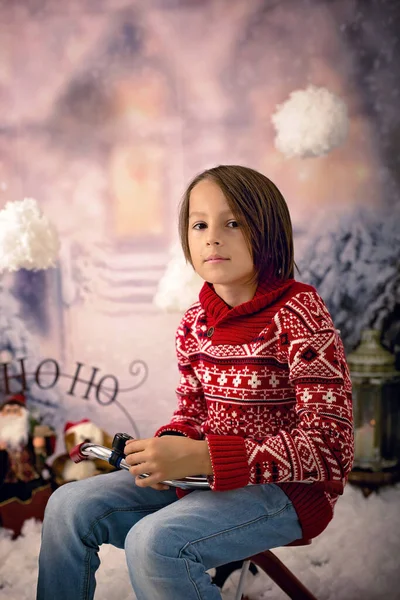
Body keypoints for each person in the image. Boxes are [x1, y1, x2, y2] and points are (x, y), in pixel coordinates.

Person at [36, 165, 354, 600]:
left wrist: (204, 456)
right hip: (205, 480)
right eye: (199, 224)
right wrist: (168, 448)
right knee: (68, 505)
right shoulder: (194, 323)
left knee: (155, 543)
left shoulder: (298, 313)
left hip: (287, 493)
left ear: (269, 231)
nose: (212, 237)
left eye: (233, 222)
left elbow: (331, 446)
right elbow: (193, 410)